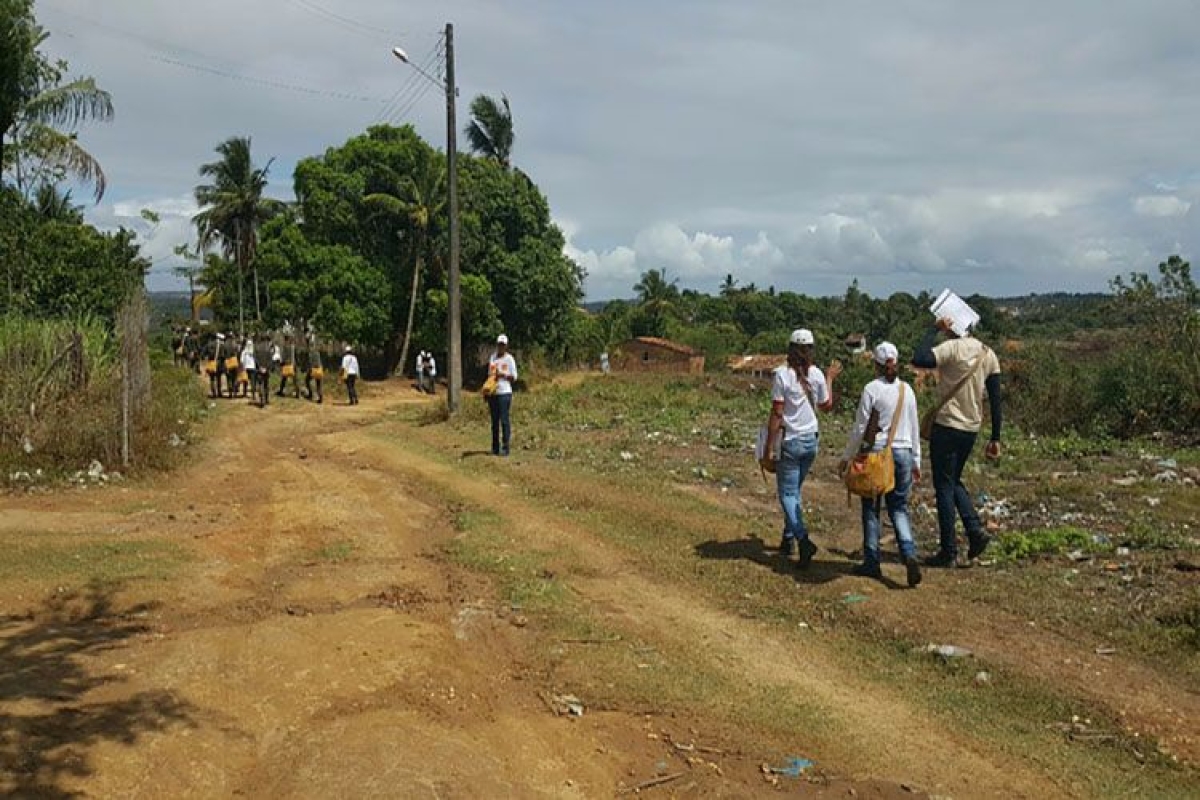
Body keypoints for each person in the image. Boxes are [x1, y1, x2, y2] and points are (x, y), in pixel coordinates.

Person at [912, 317, 1003, 567]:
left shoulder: (952, 348)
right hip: (970, 429)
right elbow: (995, 399)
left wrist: (933, 329)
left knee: (943, 486)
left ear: (954, 328)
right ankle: (974, 532)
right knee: (953, 481)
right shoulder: (988, 353)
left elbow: (919, 359)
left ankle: (948, 551)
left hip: (947, 425)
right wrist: (995, 437)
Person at [838, 342, 923, 587]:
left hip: (878, 455)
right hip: (904, 453)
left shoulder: (872, 389)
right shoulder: (908, 390)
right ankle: (908, 553)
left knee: (871, 507)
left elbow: (860, 428)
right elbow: (915, 427)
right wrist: (916, 460)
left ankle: (872, 560)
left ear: (876, 364)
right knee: (899, 508)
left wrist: (847, 457)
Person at [762, 328, 841, 567]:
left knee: (787, 494)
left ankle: (802, 539)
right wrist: (830, 378)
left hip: (790, 440)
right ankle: (788, 539)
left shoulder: (782, 376)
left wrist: (768, 448)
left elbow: (777, 412)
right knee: (794, 491)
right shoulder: (816, 374)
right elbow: (826, 405)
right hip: (811, 440)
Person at [487, 334, 518, 456]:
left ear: (506, 346)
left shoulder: (509, 359)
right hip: (493, 393)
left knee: (504, 420)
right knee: (494, 421)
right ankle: (495, 447)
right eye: (499, 344)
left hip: (505, 393)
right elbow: (490, 374)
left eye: (503, 345)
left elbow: (514, 377)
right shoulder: (493, 358)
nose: (501, 347)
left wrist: (503, 375)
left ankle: (506, 447)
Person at [253, 332, 274, 408]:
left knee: (260, 383)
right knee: (266, 384)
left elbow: (255, 358)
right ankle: (266, 399)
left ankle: (262, 399)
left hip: (259, 368)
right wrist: (267, 368)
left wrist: (260, 367)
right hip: (266, 369)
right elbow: (270, 359)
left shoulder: (256, 347)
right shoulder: (269, 348)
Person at [304, 327, 324, 404]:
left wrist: (309, 368)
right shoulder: (317, 351)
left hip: (313, 369)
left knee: (307, 380)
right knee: (318, 384)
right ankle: (320, 397)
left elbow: (310, 362)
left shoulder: (311, 352)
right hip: (319, 368)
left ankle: (310, 394)